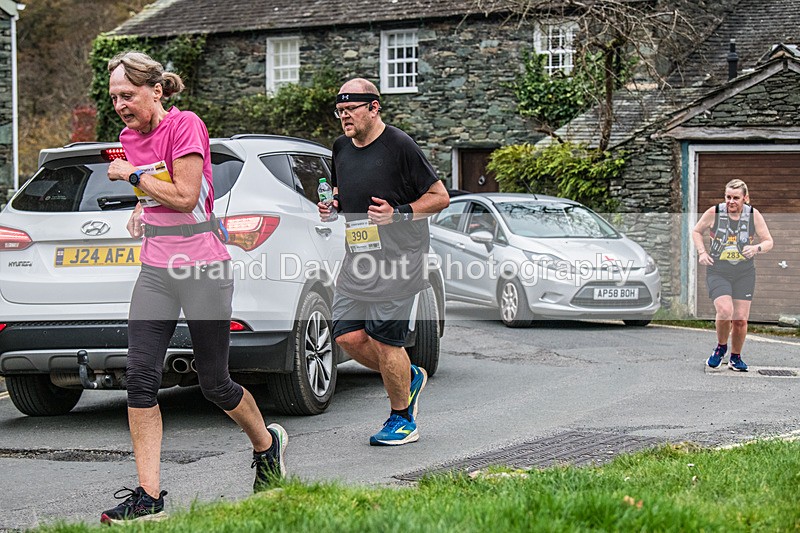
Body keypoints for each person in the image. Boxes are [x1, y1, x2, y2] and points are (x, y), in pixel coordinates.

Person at [101, 51, 287, 524]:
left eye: (128, 95)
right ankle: (149, 495)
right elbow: (163, 197)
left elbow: (186, 196)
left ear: (156, 91)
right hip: (156, 270)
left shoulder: (185, 125)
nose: (120, 105)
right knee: (140, 378)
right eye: (115, 97)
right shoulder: (128, 137)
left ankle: (267, 445)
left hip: (203, 267)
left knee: (214, 382)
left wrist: (134, 176)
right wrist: (140, 208)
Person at [319, 78, 449, 446]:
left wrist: (400, 213)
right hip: (358, 256)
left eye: (351, 110)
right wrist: (334, 206)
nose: (344, 117)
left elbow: (439, 198)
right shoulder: (341, 147)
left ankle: (402, 418)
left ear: (374, 108)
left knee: (385, 339)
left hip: (400, 258)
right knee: (346, 335)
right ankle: (408, 377)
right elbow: (344, 190)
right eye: (339, 111)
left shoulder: (400, 146)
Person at [692, 179, 773, 372]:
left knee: (740, 319)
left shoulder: (753, 215)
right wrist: (702, 252)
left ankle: (735, 358)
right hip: (718, 270)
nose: (731, 201)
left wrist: (756, 248)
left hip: (744, 272)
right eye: (728, 197)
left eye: (736, 198)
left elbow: (769, 241)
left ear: (745, 198)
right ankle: (720, 348)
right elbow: (696, 231)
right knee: (725, 310)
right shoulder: (714, 213)